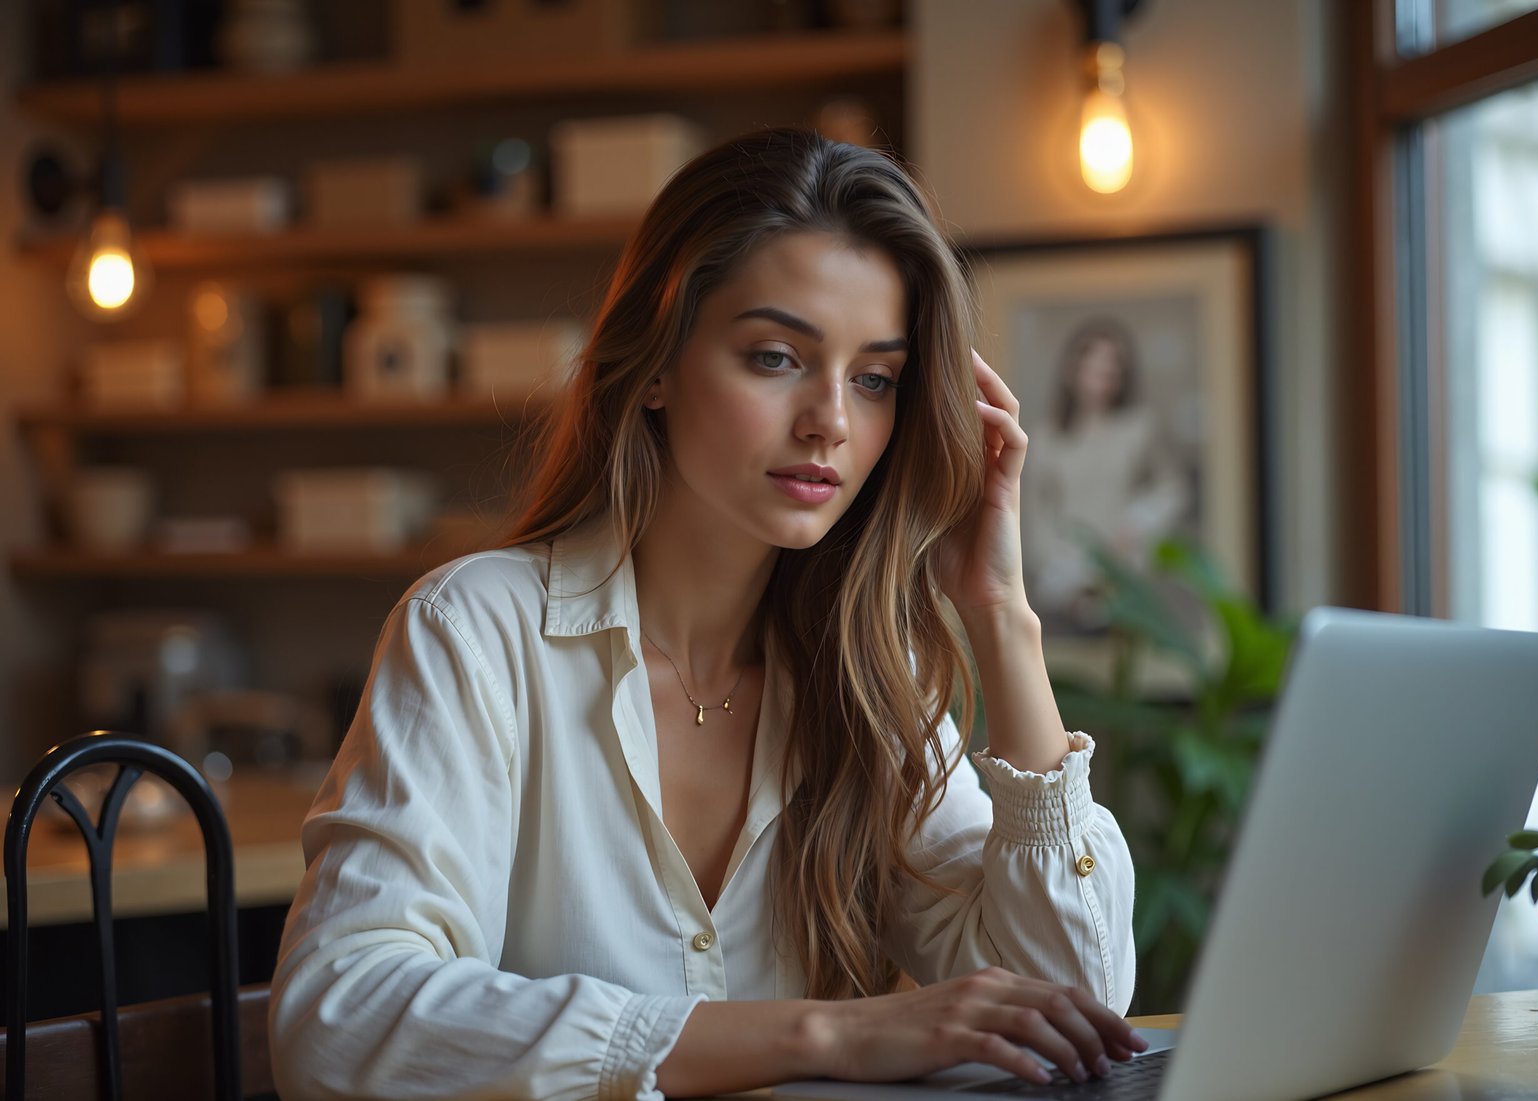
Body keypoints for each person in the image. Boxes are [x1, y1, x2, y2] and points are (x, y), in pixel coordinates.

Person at [268, 127, 1139, 1101]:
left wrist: (1002, 616)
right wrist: (823, 1035)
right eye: (774, 357)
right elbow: (338, 1018)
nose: (832, 423)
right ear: (651, 368)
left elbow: (1072, 1007)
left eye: (874, 379)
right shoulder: (476, 632)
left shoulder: (866, 674)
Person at [1023, 317, 1191, 631]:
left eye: (1114, 366)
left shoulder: (1139, 428)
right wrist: (1058, 562)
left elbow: (1173, 489)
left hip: (1123, 567)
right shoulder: (1047, 437)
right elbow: (1036, 512)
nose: (1106, 373)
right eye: (1096, 364)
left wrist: (1138, 522)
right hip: (1064, 574)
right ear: (1072, 369)